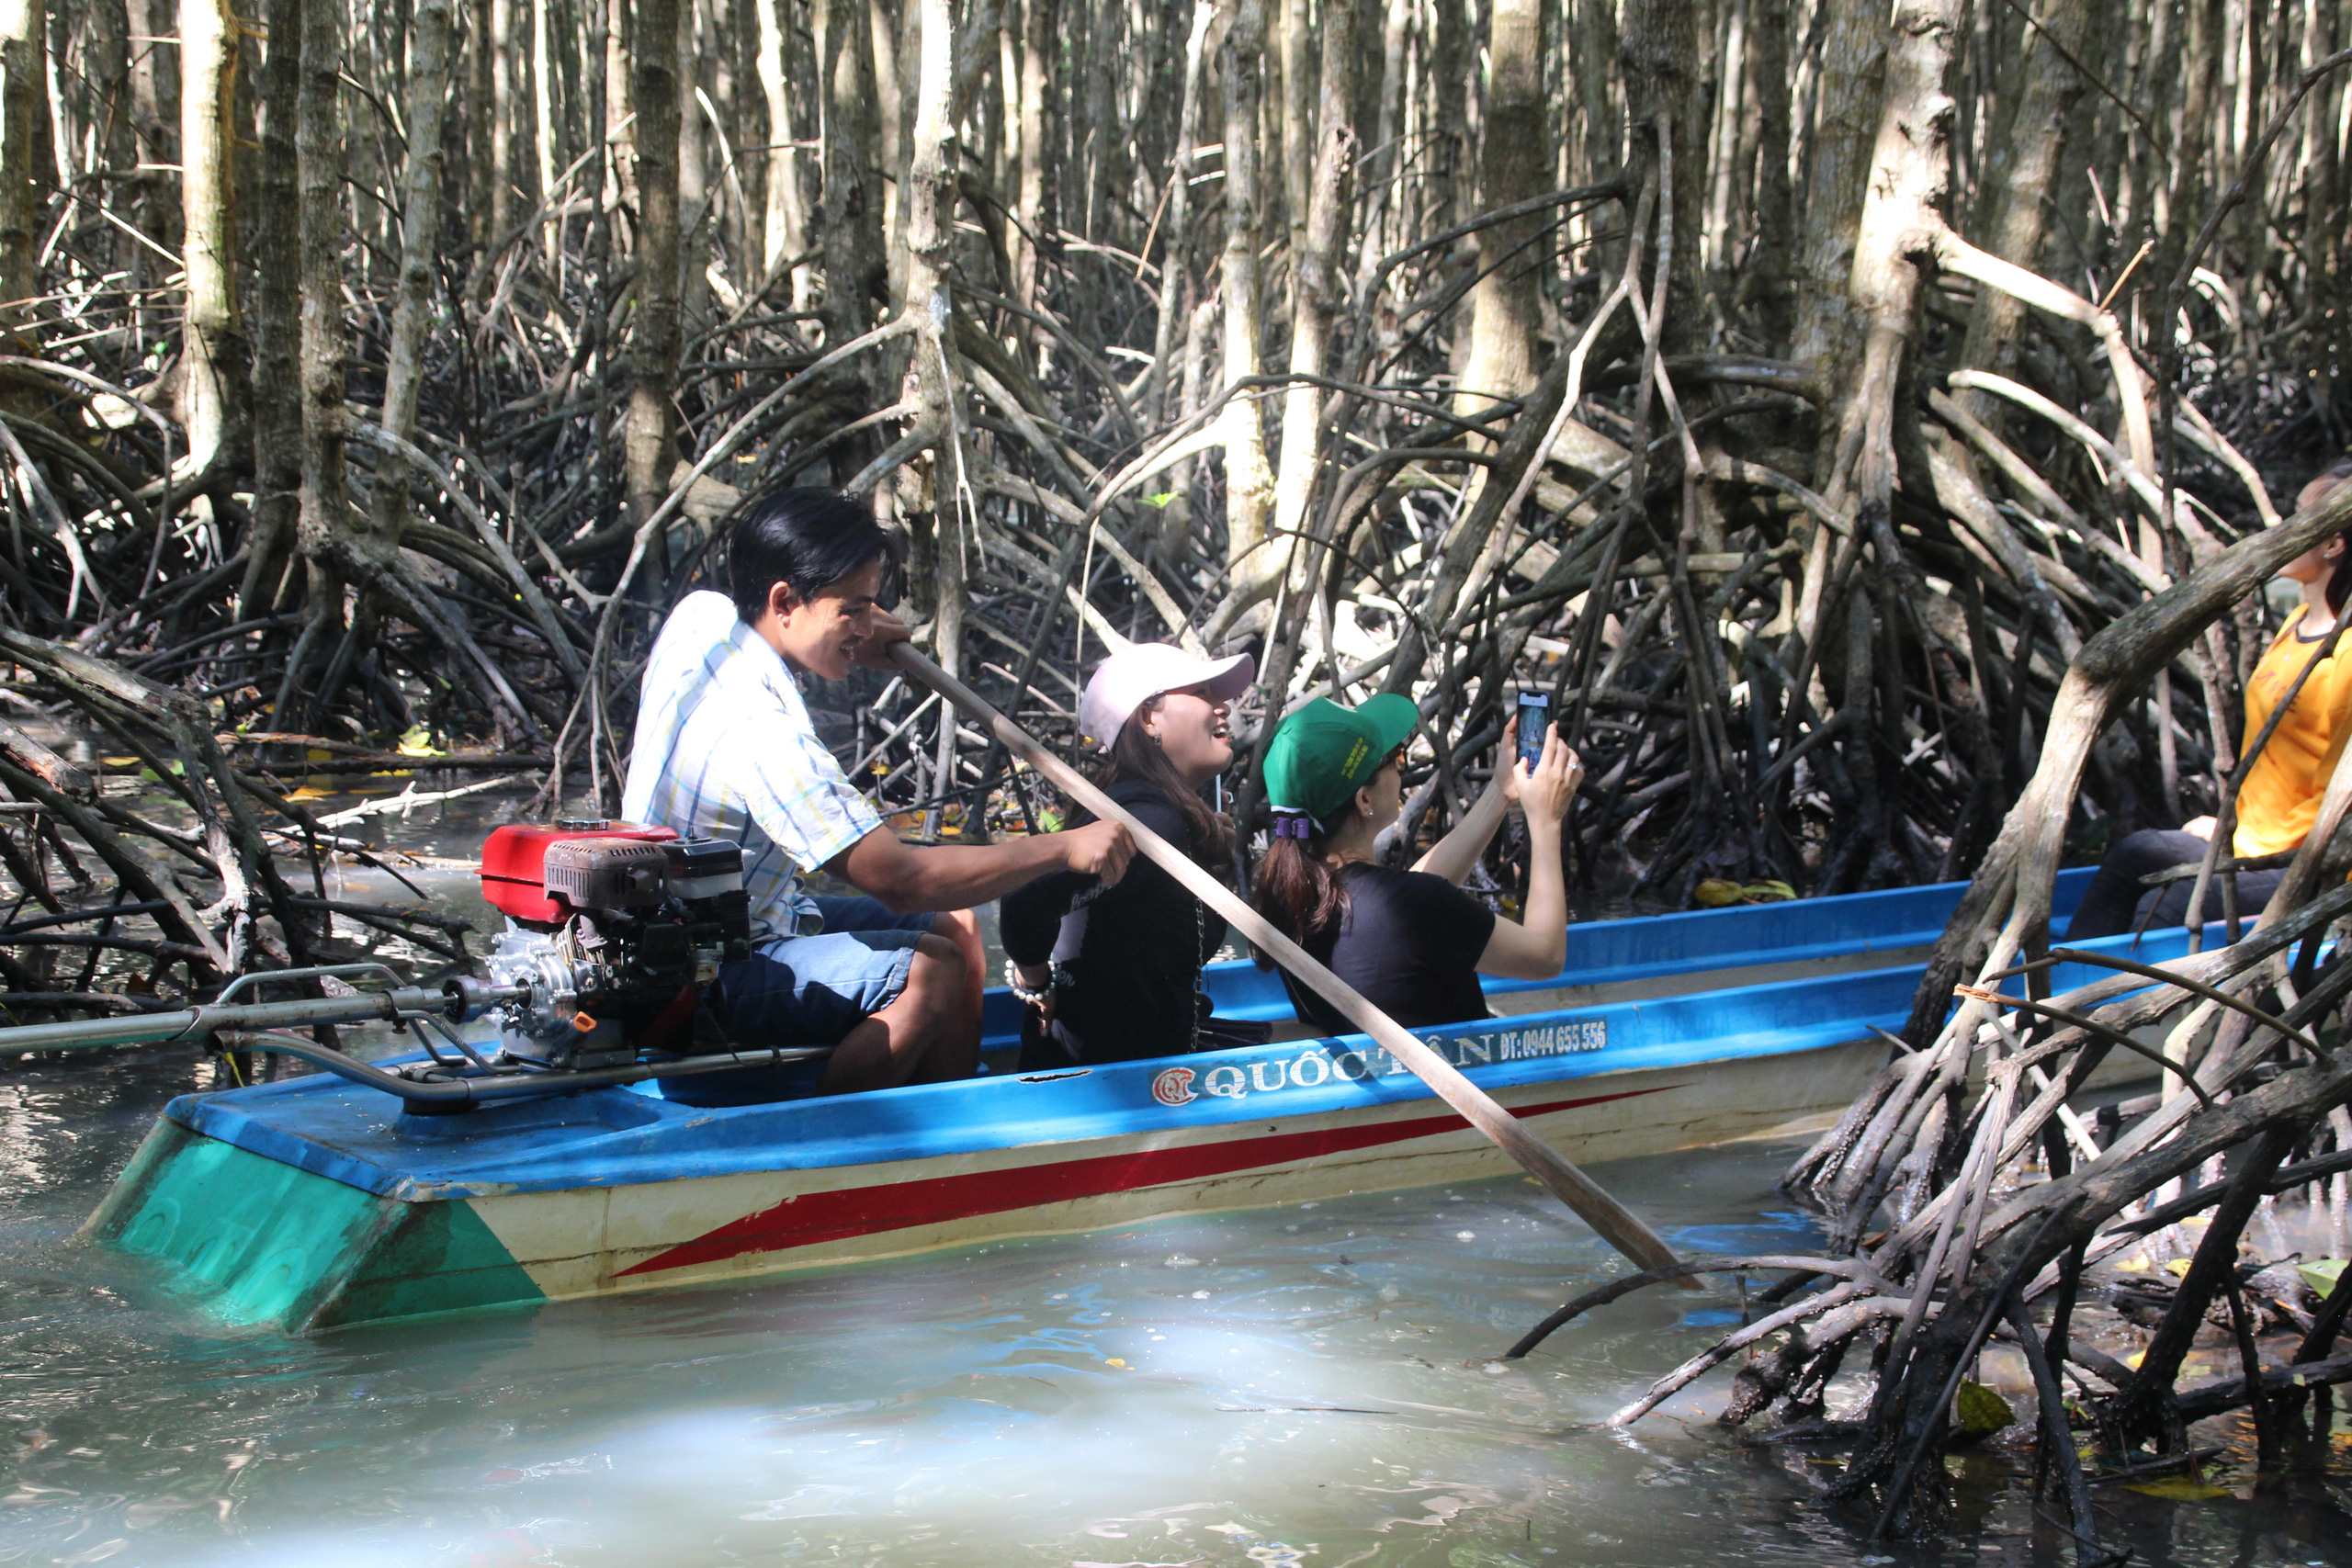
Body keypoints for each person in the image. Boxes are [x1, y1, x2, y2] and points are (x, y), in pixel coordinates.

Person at [622, 487, 1133, 1103]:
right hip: (704, 974)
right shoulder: (762, 732)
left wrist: (848, 633)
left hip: (742, 919)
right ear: (784, 600)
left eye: (870, 606)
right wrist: (1061, 848)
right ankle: (832, 1145)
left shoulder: (703, 618)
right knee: (932, 973)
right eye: (854, 609)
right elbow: (901, 879)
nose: (867, 625)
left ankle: (952, 1112)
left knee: (959, 927)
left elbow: (774, 619)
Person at [2069, 459, 2352, 939]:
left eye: (2301, 517)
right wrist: (2229, 822)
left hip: (2304, 865)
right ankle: (2046, 1001)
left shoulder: (2346, 654)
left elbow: (2338, 806)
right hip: (2250, 845)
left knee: (2170, 898)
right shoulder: (2294, 626)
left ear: (2332, 542)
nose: (2282, 528)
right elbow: (2274, 765)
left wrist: (2262, 852)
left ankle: (2120, 1005)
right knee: (2136, 853)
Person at [998, 641, 1263, 1067]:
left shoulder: (1144, 806)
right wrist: (1036, 984)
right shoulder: (1149, 821)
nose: (1224, 707)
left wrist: (1212, 853)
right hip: (1114, 1074)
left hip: (1145, 1051)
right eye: (1203, 694)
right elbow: (1022, 898)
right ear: (1148, 717)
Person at [1251, 694, 1584, 1033]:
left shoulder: (1291, 895)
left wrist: (1501, 792)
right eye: (1394, 759)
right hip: (1454, 1081)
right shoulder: (1415, 907)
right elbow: (1546, 957)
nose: (1400, 767)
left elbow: (1408, 903)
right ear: (1364, 799)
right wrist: (1546, 821)